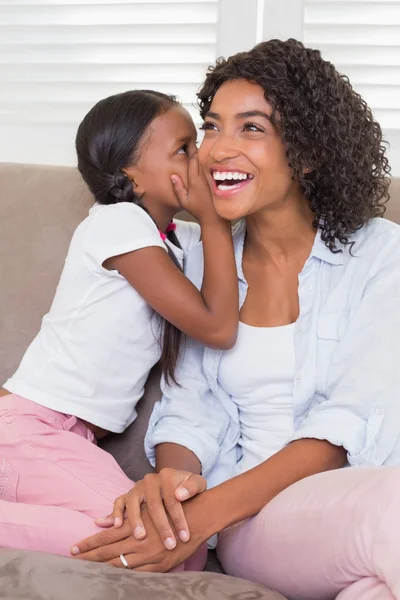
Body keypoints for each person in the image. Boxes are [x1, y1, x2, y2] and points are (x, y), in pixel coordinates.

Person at [73, 40, 400, 600]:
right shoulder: (201, 260)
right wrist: (177, 492)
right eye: (211, 127)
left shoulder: (382, 255)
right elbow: (188, 406)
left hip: (355, 494)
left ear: (309, 151)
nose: (217, 150)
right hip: (255, 520)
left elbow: (348, 425)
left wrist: (194, 525)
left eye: (251, 128)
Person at [0, 89, 239, 565]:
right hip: (27, 430)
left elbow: (236, 248)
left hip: (67, 438)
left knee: (178, 550)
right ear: (132, 175)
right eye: (183, 150)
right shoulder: (118, 223)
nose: (201, 159)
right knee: (145, 539)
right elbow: (217, 327)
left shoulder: (172, 238)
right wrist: (212, 218)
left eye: (198, 143)